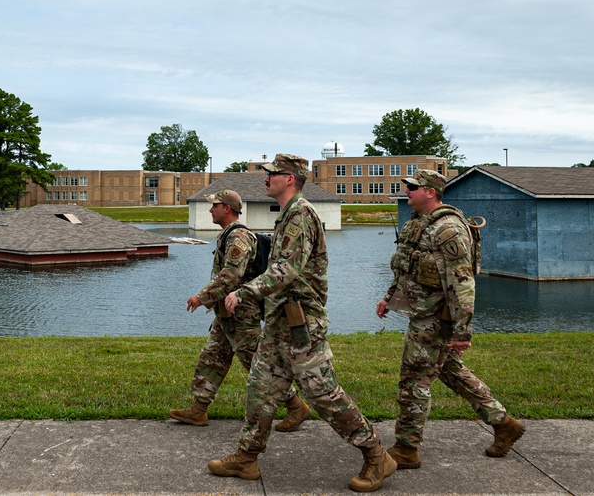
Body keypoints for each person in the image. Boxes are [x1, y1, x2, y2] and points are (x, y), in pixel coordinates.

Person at [208, 154, 395, 493]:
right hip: (281, 323)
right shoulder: (287, 216)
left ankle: (376, 454)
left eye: (272, 174)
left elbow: (286, 270)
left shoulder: (300, 215)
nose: (266, 179)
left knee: (324, 395)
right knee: (259, 389)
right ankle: (246, 457)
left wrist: (244, 292)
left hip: (301, 326)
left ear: (290, 178)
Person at [376, 169, 524, 469]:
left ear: (430, 192)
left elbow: (463, 283)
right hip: (421, 313)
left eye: (413, 188)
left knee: (414, 380)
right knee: (449, 371)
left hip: (436, 319)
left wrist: (462, 331)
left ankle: (406, 448)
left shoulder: (448, 229)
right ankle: (503, 422)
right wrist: (389, 298)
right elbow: (405, 267)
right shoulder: (418, 224)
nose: (408, 192)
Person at [170, 189, 311, 432]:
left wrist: (202, 297)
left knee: (258, 364)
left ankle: (296, 405)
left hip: (242, 315)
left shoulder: (239, 238)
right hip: (225, 312)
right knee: (212, 357)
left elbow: (231, 275)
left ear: (227, 208)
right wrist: (213, 301)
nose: (210, 209)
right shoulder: (227, 235)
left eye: (214, 205)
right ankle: (199, 409)